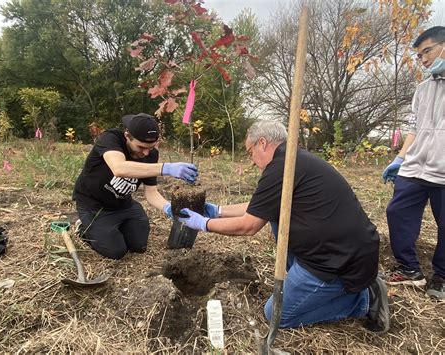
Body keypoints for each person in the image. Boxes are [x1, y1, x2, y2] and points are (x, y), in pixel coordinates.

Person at [180, 120, 390, 332]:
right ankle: (329, 287)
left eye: (250, 151)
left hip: (335, 261)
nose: (251, 160)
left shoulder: (282, 167)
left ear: (262, 143)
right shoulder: (293, 161)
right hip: (345, 250)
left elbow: (249, 226)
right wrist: (218, 210)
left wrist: (204, 224)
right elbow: (259, 207)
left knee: (276, 316)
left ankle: (362, 300)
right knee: (274, 215)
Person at [73, 113, 199, 259]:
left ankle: (112, 228)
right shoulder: (110, 139)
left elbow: (151, 192)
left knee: (139, 246)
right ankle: (84, 228)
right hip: (93, 205)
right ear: (127, 136)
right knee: (116, 251)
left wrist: (170, 208)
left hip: (123, 205)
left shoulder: (150, 155)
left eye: (150, 148)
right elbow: (119, 168)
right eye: (141, 147)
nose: (146, 153)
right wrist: (166, 168)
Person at [382, 26, 444, 301]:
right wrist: (400, 157)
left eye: (427, 51)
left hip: (443, 172)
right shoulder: (423, 89)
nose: (423, 59)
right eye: (419, 56)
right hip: (415, 167)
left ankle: (440, 277)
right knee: (397, 212)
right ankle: (409, 269)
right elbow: (414, 127)